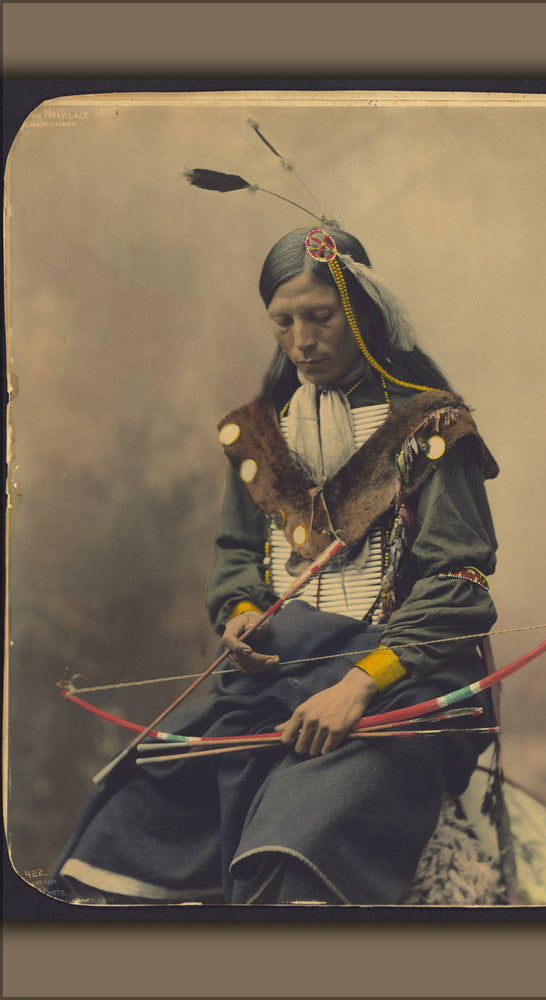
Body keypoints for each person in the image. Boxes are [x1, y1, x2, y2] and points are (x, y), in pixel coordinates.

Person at [49, 225, 500, 906]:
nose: (301, 341)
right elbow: (236, 555)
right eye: (282, 322)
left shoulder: (429, 429)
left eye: (320, 318)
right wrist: (240, 615)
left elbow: (457, 582)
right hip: (279, 671)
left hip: (399, 673)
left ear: (363, 315)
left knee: (299, 833)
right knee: (139, 804)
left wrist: (358, 686)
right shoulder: (258, 434)